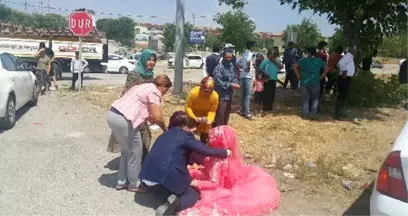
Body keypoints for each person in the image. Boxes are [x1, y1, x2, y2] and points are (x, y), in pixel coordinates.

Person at [138, 111, 231, 216]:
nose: (194, 132)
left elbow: (178, 153)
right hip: (165, 174)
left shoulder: (167, 133)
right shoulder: (185, 135)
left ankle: (158, 193)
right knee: (193, 194)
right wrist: (225, 152)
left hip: (146, 175)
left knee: (165, 188)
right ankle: (174, 207)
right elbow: (205, 150)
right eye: (192, 129)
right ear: (185, 127)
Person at [179, 125, 280, 216]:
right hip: (214, 176)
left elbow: (214, 184)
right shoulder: (220, 154)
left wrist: (195, 182)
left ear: (220, 141)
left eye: (212, 138)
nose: (208, 140)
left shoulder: (218, 161)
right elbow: (212, 172)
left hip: (217, 186)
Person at [107, 74, 171, 193]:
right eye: (166, 90)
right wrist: (165, 129)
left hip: (113, 115)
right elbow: (157, 116)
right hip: (124, 119)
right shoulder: (154, 91)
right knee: (136, 151)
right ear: (162, 86)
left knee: (126, 151)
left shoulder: (142, 86)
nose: (165, 93)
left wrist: (149, 118)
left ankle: (121, 181)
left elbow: (142, 108)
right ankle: (134, 184)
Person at [107, 49, 157, 153]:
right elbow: (127, 92)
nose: (151, 62)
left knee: (145, 136)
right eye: (149, 60)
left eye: (153, 60)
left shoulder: (150, 75)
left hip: (142, 109)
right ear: (143, 60)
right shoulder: (134, 74)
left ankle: (139, 161)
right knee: (130, 137)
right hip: (130, 109)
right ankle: (132, 162)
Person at [294, 47, 329, 119]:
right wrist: (321, 77)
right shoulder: (319, 61)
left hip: (304, 82)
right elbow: (327, 68)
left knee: (305, 99)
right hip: (315, 81)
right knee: (315, 99)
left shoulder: (303, 60)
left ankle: (304, 115)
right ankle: (314, 114)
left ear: (309, 53)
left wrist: (298, 75)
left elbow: (295, 66)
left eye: (307, 53)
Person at [185, 76, 219, 143]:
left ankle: (203, 145)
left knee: (206, 133)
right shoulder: (194, 93)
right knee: (188, 133)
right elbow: (187, 107)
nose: (207, 94)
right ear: (201, 88)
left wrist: (209, 120)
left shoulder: (215, 96)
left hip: (205, 117)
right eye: (205, 91)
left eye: (209, 92)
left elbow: (212, 110)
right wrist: (195, 118)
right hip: (192, 115)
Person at [213, 49, 240, 126]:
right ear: (223, 57)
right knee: (220, 114)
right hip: (221, 95)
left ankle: (224, 130)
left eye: (230, 57)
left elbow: (234, 76)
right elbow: (218, 82)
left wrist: (236, 83)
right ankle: (219, 131)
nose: (228, 59)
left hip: (229, 94)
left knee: (226, 114)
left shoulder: (231, 66)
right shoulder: (219, 68)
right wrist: (231, 85)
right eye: (227, 57)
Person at [237, 41, 256, 120]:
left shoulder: (244, 54)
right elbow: (249, 62)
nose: (255, 47)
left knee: (243, 94)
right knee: (248, 95)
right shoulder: (251, 54)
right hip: (248, 76)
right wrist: (248, 68)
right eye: (254, 46)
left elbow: (237, 63)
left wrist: (242, 69)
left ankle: (242, 110)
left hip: (242, 76)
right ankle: (247, 113)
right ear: (251, 46)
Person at [335, 48, 355, 120]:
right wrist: (344, 71)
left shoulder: (349, 57)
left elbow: (339, 64)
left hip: (346, 78)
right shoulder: (348, 56)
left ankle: (340, 112)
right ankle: (338, 114)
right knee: (342, 95)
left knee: (343, 95)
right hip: (344, 78)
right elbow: (340, 63)